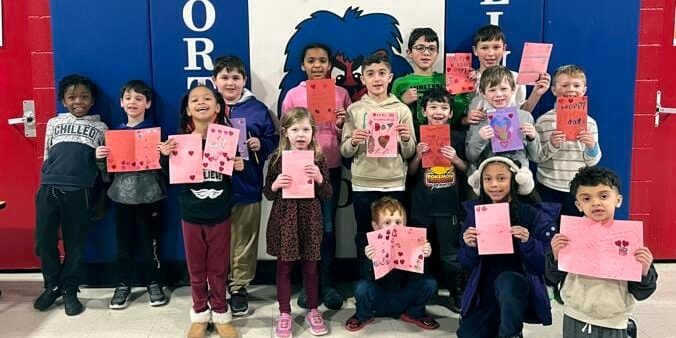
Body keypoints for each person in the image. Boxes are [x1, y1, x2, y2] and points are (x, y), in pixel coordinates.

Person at [158, 85, 243, 338]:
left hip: (220, 213)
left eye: (208, 98)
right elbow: (167, 174)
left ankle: (220, 312)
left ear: (218, 107)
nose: (201, 102)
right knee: (196, 269)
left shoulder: (227, 140)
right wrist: (165, 156)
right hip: (191, 214)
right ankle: (199, 313)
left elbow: (237, 176)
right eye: (195, 99)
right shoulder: (178, 142)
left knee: (218, 269)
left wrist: (239, 165)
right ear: (187, 109)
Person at [546, 166, 657, 338]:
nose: (596, 203)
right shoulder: (568, 238)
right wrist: (555, 257)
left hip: (615, 320)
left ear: (618, 200)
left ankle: (629, 329)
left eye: (604, 196)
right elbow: (552, 278)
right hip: (576, 316)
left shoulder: (630, 240)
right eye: (587, 198)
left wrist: (644, 270)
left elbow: (642, 293)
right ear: (578, 205)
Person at [281, 43, 352, 310]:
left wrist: (344, 123)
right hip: (299, 168)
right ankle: (306, 285)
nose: (317, 65)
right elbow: (284, 134)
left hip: (329, 167)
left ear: (330, 64)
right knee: (303, 229)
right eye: (311, 61)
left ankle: (328, 284)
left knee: (327, 227)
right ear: (303, 65)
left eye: (323, 60)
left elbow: (350, 137)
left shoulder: (342, 93)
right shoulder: (292, 95)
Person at [33, 74, 108, 316]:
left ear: (92, 100)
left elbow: (104, 166)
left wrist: (101, 197)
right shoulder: (54, 123)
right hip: (49, 187)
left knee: (75, 244)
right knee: (44, 241)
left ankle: (69, 288)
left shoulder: (100, 127)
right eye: (72, 97)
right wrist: (46, 177)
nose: (79, 101)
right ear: (64, 101)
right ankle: (52, 284)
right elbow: (47, 152)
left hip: (80, 191)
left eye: (84, 97)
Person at [458, 156, 555, 338]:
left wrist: (529, 243)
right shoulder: (476, 213)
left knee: (507, 283)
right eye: (488, 179)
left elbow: (545, 265)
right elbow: (466, 264)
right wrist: (469, 246)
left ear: (515, 181)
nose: (494, 184)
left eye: (501, 178)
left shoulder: (531, 214)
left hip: (517, 284)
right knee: (468, 334)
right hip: (484, 285)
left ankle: (511, 334)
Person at [212, 55, 279, 316]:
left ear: (244, 81)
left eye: (236, 78)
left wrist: (261, 145)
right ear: (214, 80)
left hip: (247, 182)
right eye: (225, 77)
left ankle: (239, 287)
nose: (230, 83)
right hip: (212, 185)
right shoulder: (206, 105)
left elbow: (274, 140)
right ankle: (215, 284)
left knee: (244, 238)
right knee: (215, 239)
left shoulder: (258, 109)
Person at [340, 53, 416, 275]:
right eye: (370, 74)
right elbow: (344, 150)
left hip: (393, 182)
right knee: (364, 235)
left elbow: (410, 151)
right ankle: (366, 283)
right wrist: (354, 141)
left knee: (396, 236)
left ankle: (392, 284)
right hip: (363, 182)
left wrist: (404, 139)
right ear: (362, 79)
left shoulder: (401, 110)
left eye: (382, 73)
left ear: (390, 77)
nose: (377, 79)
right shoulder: (354, 110)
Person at [95, 80, 168, 309]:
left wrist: (164, 154)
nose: (132, 102)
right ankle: (123, 284)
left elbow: (167, 170)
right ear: (121, 103)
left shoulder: (157, 133)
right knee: (124, 244)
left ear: (148, 103)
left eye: (138, 98)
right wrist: (100, 158)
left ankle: (154, 283)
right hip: (121, 197)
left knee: (150, 244)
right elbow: (107, 174)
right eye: (128, 98)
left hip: (150, 197)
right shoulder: (114, 133)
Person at [264, 107, 332, 338]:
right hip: (285, 221)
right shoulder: (276, 160)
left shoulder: (319, 160)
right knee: (284, 268)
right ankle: (284, 313)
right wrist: (275, 185)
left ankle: (313, 310)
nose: (301, 134)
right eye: (295, 129)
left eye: (305, 129)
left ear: (312, 133)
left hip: (310, 219)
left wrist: (320, 178)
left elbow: (327, 194)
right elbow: (267, 193)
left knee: (311, 267)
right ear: (285, 132)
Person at [407, 88, 467, 313]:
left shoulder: (458, 136)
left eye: (444, 107)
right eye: (433, 107)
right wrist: (417, 156)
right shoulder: (417, 134)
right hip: (421, 206)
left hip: (448, 206)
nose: (438, 112)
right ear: (424, 111)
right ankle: (421, 291)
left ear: (451, 113)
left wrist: (455, 159)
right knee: (420, 251)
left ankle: (456, 291)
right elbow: (411, 173)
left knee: (450, 254)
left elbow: (466, 169)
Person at [344, 196, 439, 332]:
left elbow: (420, 278)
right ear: (376, 226)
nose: (393, 227)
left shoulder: (413, 242)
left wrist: (425, 256)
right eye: (387, 222)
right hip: (379, 298)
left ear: (405, 223)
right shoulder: (370, 244)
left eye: (398, 222)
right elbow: (367, 278)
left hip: (404, 297)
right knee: (361, 287)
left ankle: (414, 313)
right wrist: (370, 259)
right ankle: (363, 315)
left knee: (430, 283)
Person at [533, 65, 601, 216]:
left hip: (578, 188)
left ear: (584, 90)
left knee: (573, 232)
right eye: (564, 85)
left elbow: (592, 161)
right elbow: (537, 157)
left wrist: (591, 146)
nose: (571, 89)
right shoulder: (543, 121)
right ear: (554, 90)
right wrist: (552, 144)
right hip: (547, 185)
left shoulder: (590, 123)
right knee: (547, 230)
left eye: (576, 85)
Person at [465, 66, 541, 177]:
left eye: (504, 89)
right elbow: (470, 156)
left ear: (513, 89)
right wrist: (479, 138)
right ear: (483, 93)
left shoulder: (525, 117)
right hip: (489, 179)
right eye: (492, 90)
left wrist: (533, 137)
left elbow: (536, 156)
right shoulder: (479, 119)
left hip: (518, 178)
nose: (499, 94)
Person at [466, 24, 551, 118]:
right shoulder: (467, 79)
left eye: (496, 47)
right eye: (484, 48)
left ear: (504, 49)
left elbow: (522, 115)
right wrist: (465, 120)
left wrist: (536, 94)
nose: (490, 53)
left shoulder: (515, 78)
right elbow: (452, 114)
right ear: (475, 50)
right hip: (477, 131)